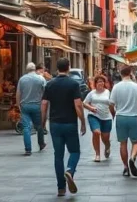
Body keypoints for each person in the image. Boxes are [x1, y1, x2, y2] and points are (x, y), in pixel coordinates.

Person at [41, 58, 86, 197]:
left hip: (55, 124)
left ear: (57, 68)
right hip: (70, 123)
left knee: (58, 156)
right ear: (69, 67)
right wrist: (83, 122)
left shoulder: (50, 84)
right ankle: (70, 170)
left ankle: (61, 188)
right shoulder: (73, 84)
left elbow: (44, 104)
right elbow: (78, 105)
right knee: (74, 151)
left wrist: (42, 123)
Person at [109, 66, 137, 177]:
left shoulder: (116, 87)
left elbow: (111, 105)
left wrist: (114, 115)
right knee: (136, 142)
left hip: (121, 117)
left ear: (120, 74)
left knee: (123, 143)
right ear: (130, 73)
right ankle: (132, 157)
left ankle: (126, 167)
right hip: (134, 117)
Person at [16, 62, 47, 156]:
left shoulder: (22, 79)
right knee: (39, 126)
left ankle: (28, 149)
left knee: (26, 128)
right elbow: (46, 92)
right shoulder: (41, 78)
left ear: (27, 69)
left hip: (25, 105)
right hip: (37, 105)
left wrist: (18, 105)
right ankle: (41, 144)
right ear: (34, 69)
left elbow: (18, 93)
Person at [82, 75, 113, 162]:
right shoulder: (92, 93)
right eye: (98, 81)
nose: (101, 83)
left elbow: (112, 104)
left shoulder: (108, 92)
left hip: (106, 117)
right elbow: (84, 103)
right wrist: (91, 108)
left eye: (102, 81)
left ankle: (107, 145)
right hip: (94, 116)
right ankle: (97, 154)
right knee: (96, 132)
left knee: (105, 137)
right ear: (95, 83)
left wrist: (114, 114)